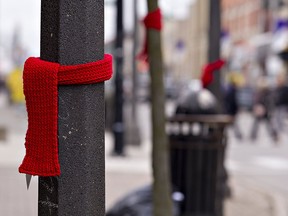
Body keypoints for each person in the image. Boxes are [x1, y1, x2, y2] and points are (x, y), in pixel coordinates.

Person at [250, 76, 278, 142]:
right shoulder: (258, 92)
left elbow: (270, 102)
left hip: (265, 110)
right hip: (260, 110)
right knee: (257, 123)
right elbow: (255, 101)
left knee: (269, 124)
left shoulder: (268, 92)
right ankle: (253, 136)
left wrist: (266, 109)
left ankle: (274, 135)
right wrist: (256, 107)